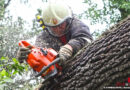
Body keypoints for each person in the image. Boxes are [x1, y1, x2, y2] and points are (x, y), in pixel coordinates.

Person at [17, 1, 93, 69]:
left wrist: (69, 48)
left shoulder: (76, 24)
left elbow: (85, 38)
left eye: (60, 25)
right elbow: (40, 56)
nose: (58, 29)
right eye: (53, 27)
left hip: (85, 62)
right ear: (47, 26)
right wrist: (29, 55)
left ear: (67, 20)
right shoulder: (44, 37)